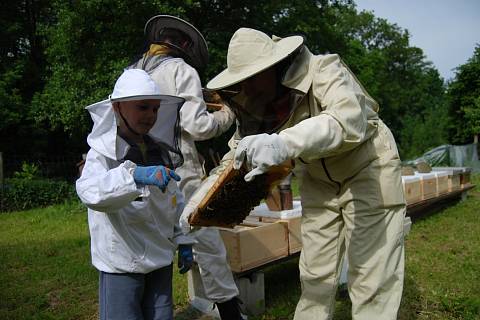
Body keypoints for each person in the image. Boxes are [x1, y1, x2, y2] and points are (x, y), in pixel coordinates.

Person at [183, 27, 406, 320]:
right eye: (240, 82)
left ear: (274, 67)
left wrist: (283, 142)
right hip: (318, 178)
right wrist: (200, 199)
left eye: (251, 77)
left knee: (370, 273)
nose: (246, 88)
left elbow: (347, 121)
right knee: (315, 272)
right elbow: (236, 155)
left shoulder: (324, 69)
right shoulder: (259, 104)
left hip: (367, 167)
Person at [129, 15, 243, 319]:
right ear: (182, 45)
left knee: (152, 244)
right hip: (181, 171)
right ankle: (231, 313)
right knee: (209, 246)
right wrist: (228, 115)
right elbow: (198, 125)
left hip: (141, 171)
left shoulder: (131, 71)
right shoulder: (182, 70)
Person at [76, 68, 195, 320]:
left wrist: (183, 241)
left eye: (154, 109)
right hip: (122, 262)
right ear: (118, 108)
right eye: (143, 107)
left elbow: (174, 201)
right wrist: (132, 176)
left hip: (160, 258)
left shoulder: (158, 150)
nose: (150, 115)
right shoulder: (103, 152)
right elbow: (88, 191)